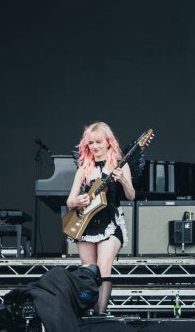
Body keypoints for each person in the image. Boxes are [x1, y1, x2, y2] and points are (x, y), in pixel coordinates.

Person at [66, 122, 134, 315]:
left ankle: (100, 315)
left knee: (104, 267)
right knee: (88, 271)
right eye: (91, 143)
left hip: (110, 224)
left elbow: (131, 195)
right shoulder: (84, 169)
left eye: (98, 142)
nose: (94, 146)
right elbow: (69, 200)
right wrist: (78, 200)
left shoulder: (119, 165)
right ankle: (88, 313)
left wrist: (123, 180)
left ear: (108, 142)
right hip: (86, 225)